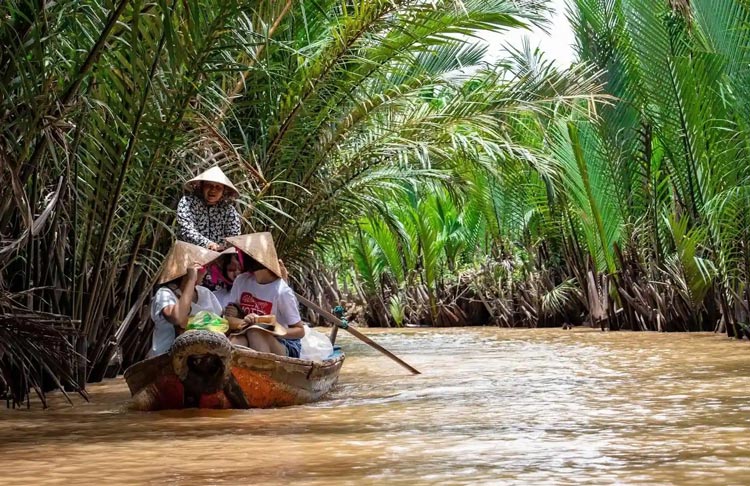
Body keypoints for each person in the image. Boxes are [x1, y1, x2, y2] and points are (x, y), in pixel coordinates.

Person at [223, 232, 305, 358]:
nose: (239, 258)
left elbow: (300, 331)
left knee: (255, 331)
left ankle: (265, 373)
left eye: (244, 254)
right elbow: (229, 317)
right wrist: (246, 321)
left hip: (284, 343)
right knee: (237, 340)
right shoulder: (241, 281)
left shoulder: (281, 291)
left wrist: (274, 329)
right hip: (247, 332)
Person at [149, 241, 223, 356]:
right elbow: (178, 317)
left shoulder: (205, 293)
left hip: (203, 358)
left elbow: (221, 322)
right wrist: (191, 280)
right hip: (167, 358)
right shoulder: (165, 293)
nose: (206, 273)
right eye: (202, 269)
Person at [177, 166, 241, 251]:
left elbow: (234, 238)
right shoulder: (188, 202)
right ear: (202, 187)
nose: (213, 190)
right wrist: (208, 244)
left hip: (219, 257)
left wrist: (226, 251)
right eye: (209, 186)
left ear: (223, 191)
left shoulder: (228, 210)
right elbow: (185, 230)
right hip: (190, 254)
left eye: (218, 187)